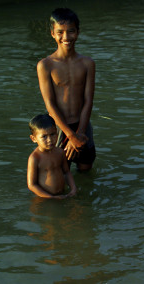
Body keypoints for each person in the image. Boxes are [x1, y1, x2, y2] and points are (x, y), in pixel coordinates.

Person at [37, 8, 96, 171]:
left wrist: (80, 133)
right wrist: (70, 136)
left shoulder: (87, 63)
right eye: (60, 32)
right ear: (52, 33)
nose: (66, 37)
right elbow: (49, 104)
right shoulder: (45, 65)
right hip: (57, 127)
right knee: (57, 173)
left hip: (82, 125)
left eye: (71, 31)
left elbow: (88, 100)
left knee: (86, 170)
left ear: (78, 32)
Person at [27, 114, 77, 199]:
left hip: (63, 194)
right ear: (34, 138)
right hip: (44, 198)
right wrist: (50, 197)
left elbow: (66, 172)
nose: (50, 140)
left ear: (57, 133)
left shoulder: (60, 152)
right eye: (44, 137)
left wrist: (73, 189)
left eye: (53, 134)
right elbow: (32, 185)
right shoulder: (35, 158)